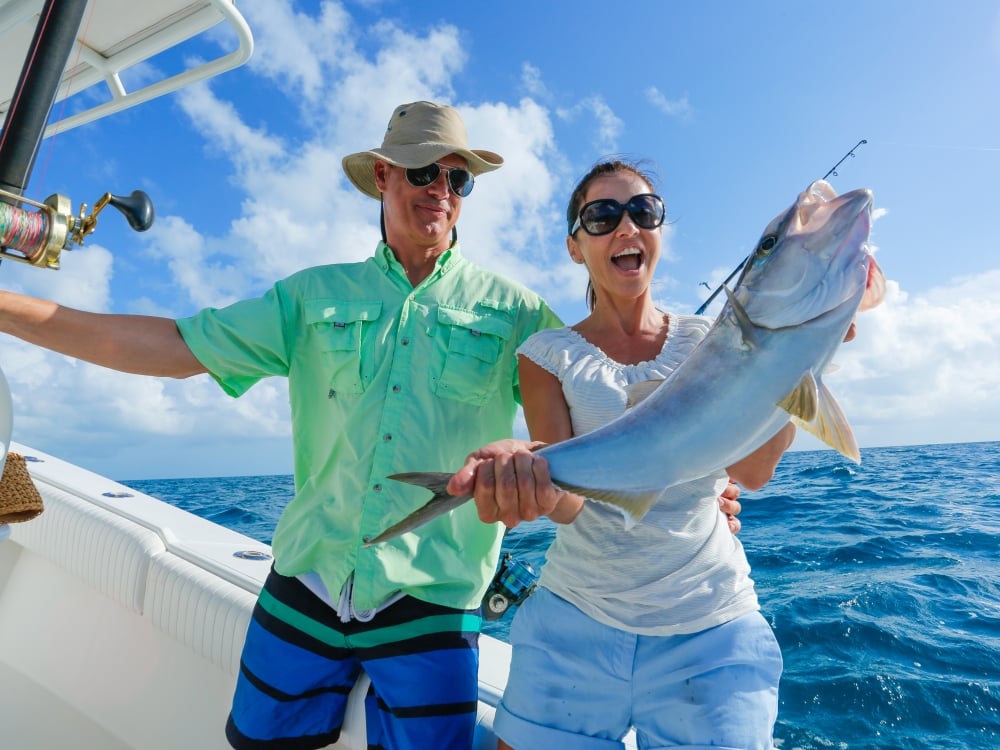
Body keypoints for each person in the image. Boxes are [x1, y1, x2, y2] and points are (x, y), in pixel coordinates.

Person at [0, 100, 569, 750]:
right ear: (382, 176)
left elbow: (586, 425)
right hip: (305, 582)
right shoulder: (309, 295)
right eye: (421, 173)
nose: (440, 191)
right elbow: (169, 345)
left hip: (433, 606)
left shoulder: (518, 312)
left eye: (457, 179)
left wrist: (696, 480)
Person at [450, 158, 799, 750]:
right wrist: (523, 471)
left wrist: (797, 351)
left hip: (709, 623)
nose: (626, 226)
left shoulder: (713, 338)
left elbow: (755, 469)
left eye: (643, 210)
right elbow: (568, 504)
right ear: (574, 246)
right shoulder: (545, 354)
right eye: (602, 215)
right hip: (574, 616)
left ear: (660, 231)